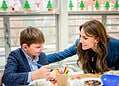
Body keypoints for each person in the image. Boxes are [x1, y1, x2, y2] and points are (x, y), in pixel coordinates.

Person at [47, 20, 119, 74]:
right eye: (80, 36)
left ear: (97, 39)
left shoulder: (115, 45)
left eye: (85, 38)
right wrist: (39, 59)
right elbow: (60, 55)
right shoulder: (80, 43)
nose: (81, 41)